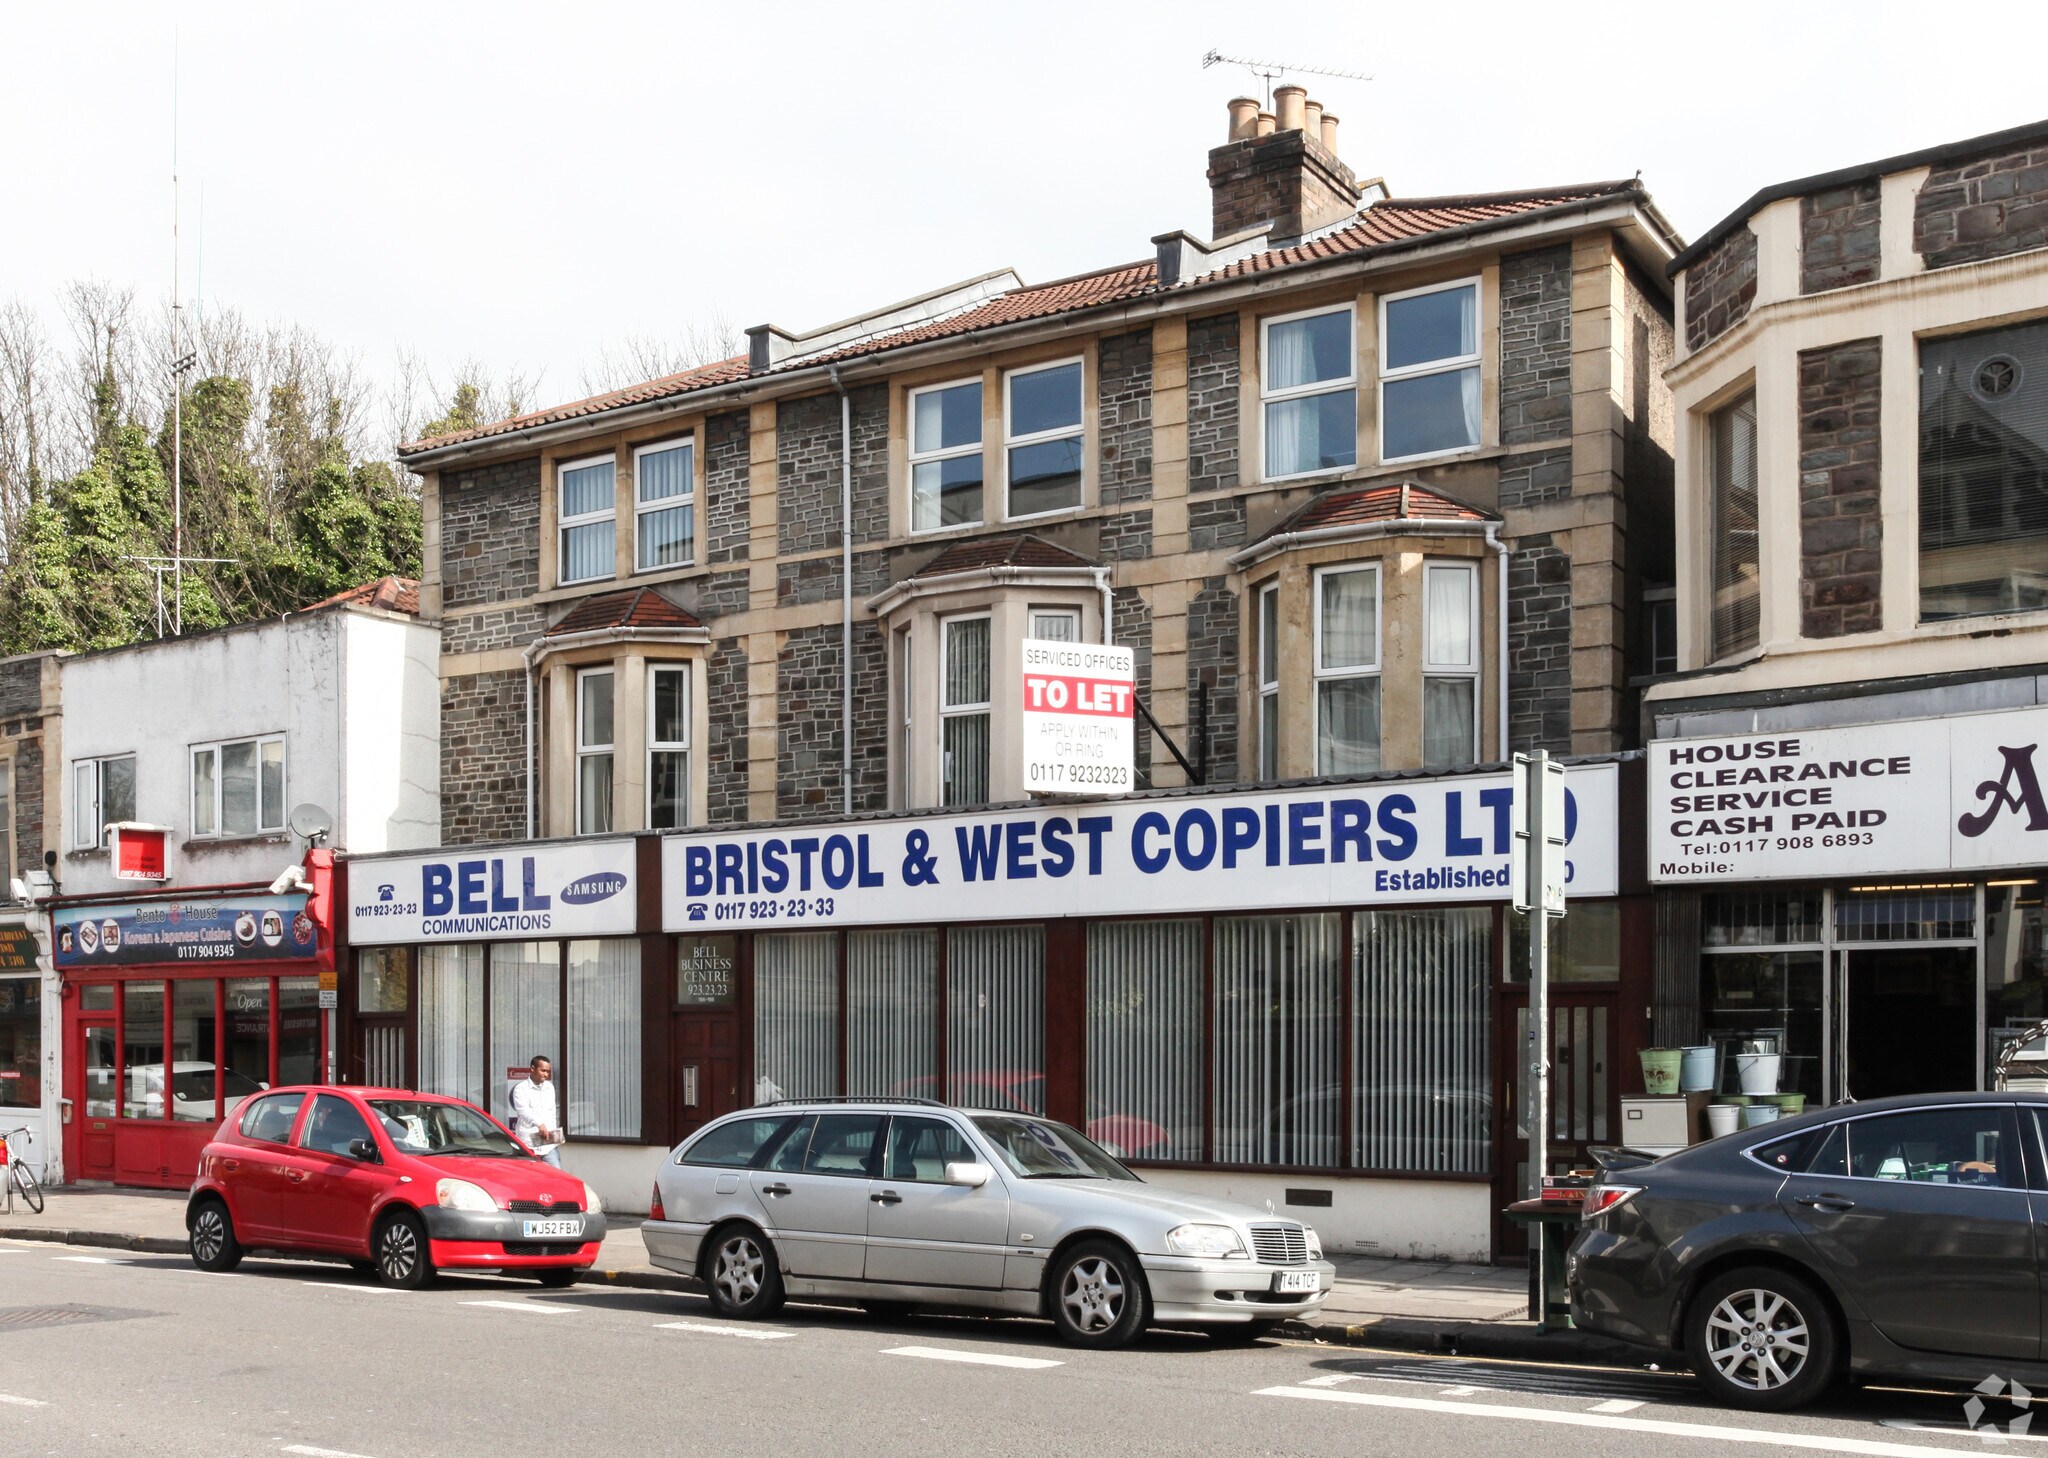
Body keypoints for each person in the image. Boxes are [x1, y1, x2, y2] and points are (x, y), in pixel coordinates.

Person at [508, 1055, 563, 1166]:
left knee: (556, 1175)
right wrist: (539, 1124)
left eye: (548, 1072)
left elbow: (552, 1112)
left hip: (548, 1145)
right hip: (528, 1144)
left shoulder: (549, 1087)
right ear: (532, 1069)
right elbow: (523, 1111)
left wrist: (554, 1133)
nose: (546, 1075)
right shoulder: (521, 1088)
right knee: (530, 1177)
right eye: (543, 1071)